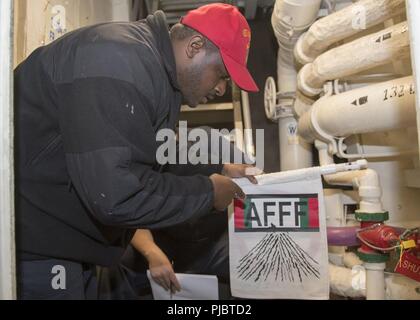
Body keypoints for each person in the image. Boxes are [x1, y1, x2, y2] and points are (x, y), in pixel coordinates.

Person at [14, 3, 259, 300]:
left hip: (62, 244)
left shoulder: (152, 74)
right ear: (194, 47)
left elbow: (149, 155)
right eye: (221, 75)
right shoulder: (118, 61)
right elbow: (116, 195)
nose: (221, 89)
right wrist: (207, 194)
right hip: (36, 244)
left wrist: (217, 170)